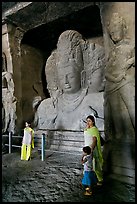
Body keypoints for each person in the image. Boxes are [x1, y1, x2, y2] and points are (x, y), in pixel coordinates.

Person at [83, 115, 103, 185]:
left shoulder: (94, 129)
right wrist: (87, 127)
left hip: (92, 149)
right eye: (87, 121)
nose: (88, 122)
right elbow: (86, 133)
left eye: (89, 121)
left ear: (93, 122)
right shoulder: (88, 129)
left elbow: (94, 140)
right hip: (87, 148)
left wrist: (91, 149)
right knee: (88, 164)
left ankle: (100, 179)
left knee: (95, 164)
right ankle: (90, 178)